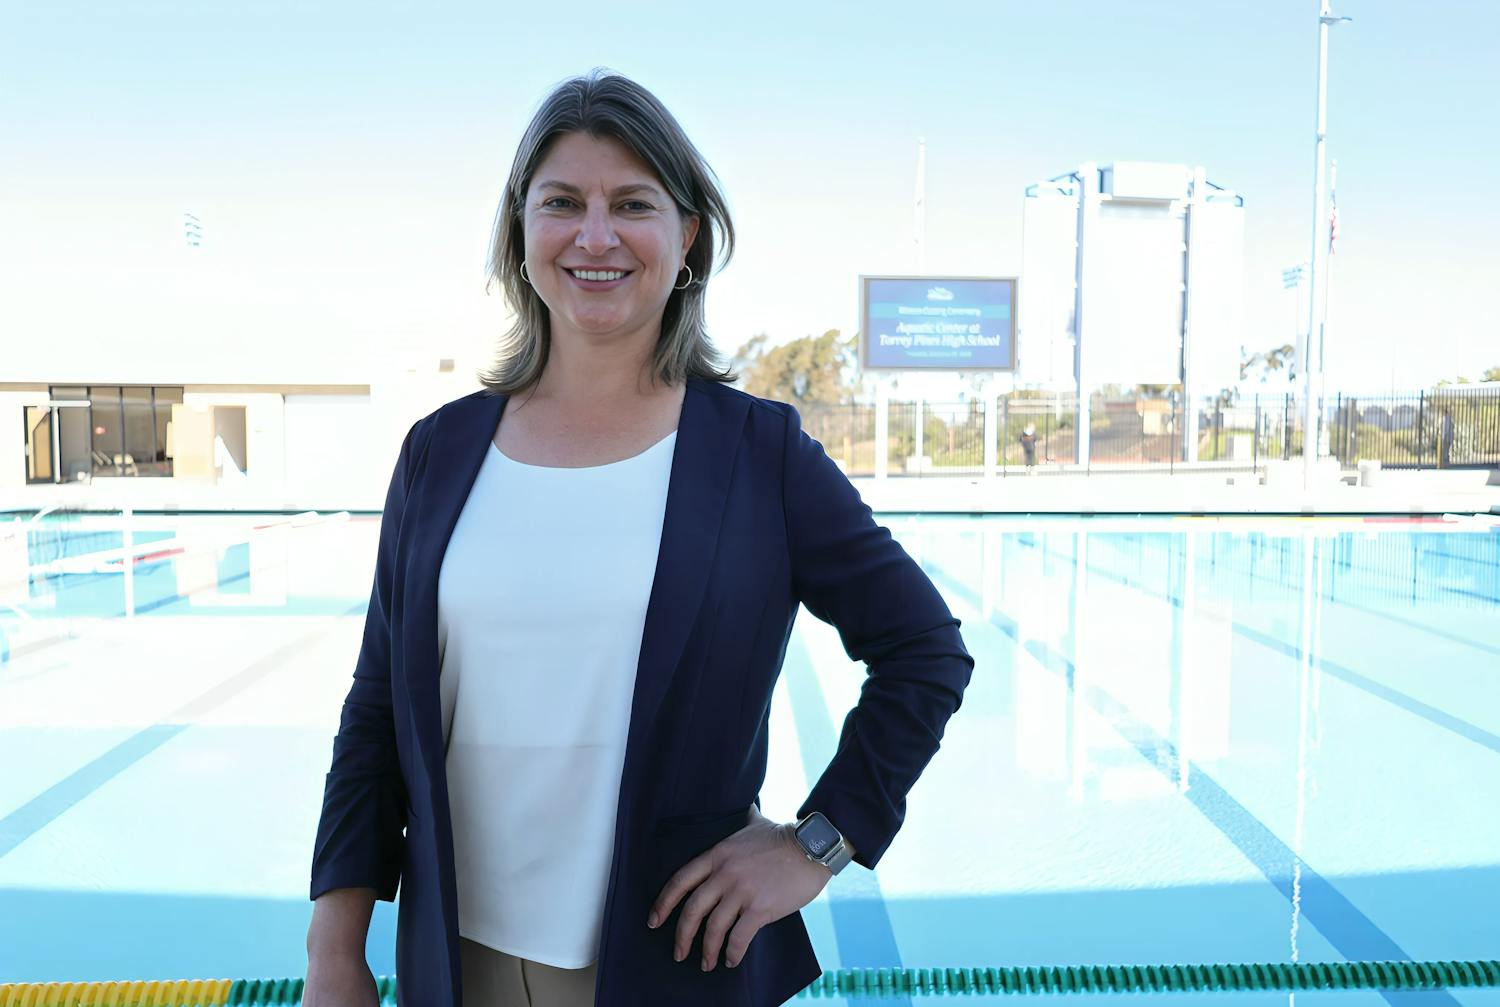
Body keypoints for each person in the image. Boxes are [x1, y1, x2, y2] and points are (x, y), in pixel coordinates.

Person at [302, 69, 974, 1007]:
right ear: (521, 232)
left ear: (687, 234)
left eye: (632, 204)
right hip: (456, 967)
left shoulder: (758, 454)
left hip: (673, 967)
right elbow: (377, 708)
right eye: (563, 203)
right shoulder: (439, 453)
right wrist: (335, 949)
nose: (596, 235)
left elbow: (925, 651)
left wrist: (818, 842)